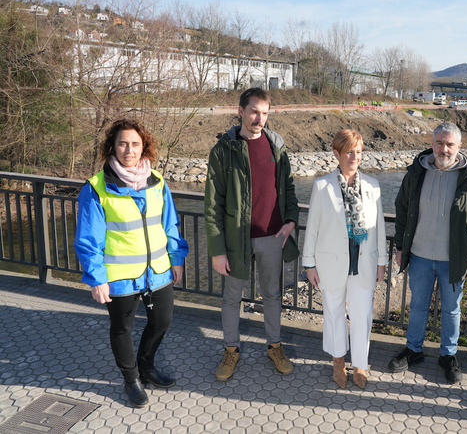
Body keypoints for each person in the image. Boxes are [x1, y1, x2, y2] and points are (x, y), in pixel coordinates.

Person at [75, 119, 188, 408]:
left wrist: (176, 257)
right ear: (112, 146)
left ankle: (146, 365)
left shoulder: (157, 181)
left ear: (144, 147)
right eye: (123, 143)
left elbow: (170, 224)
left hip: (158, 270)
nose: (129, 149)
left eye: (135, 144)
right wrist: (96, 277)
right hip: (120, 275)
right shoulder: (97, 188)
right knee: (122, 328)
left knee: (162, 321)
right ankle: (131, 379)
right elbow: (89, 238)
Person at [205, 87, 300, 380]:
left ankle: (274, 346)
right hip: (236, 239)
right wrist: (217, 250)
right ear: (241, 111)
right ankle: (231, 350)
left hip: (272, 237)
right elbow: (213, 204)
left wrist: (291, 221)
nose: (259, 119)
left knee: (272, 295)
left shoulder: (277, 147)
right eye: (254, 111)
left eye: (264, 113)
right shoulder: (224, 150)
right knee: (232, 297)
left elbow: (288, 189)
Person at [388, 122, 467, 384]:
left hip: (454, 260)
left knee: (451, 310)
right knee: (418, 306)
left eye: (449, 144)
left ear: (459, 146)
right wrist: (401, 247)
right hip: (420, 256)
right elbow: (402, 211)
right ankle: (414, 350)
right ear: (432, 143)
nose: (443, 149)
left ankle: (448, 355)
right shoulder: (416, 173)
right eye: (439, 143)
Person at [301, 129, 387, 389]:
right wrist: (309, 263)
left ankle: (360, 363)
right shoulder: (322, 186)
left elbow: (380, 227)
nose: (354, 157)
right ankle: (338, 362)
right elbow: (313, 226)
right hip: (331, 262)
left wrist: (381, 261)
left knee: (363, 315)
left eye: (358, 151)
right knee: (334, 313)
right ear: (336, 153)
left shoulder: (372, 185)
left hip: (364, 262)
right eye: (349, 151)